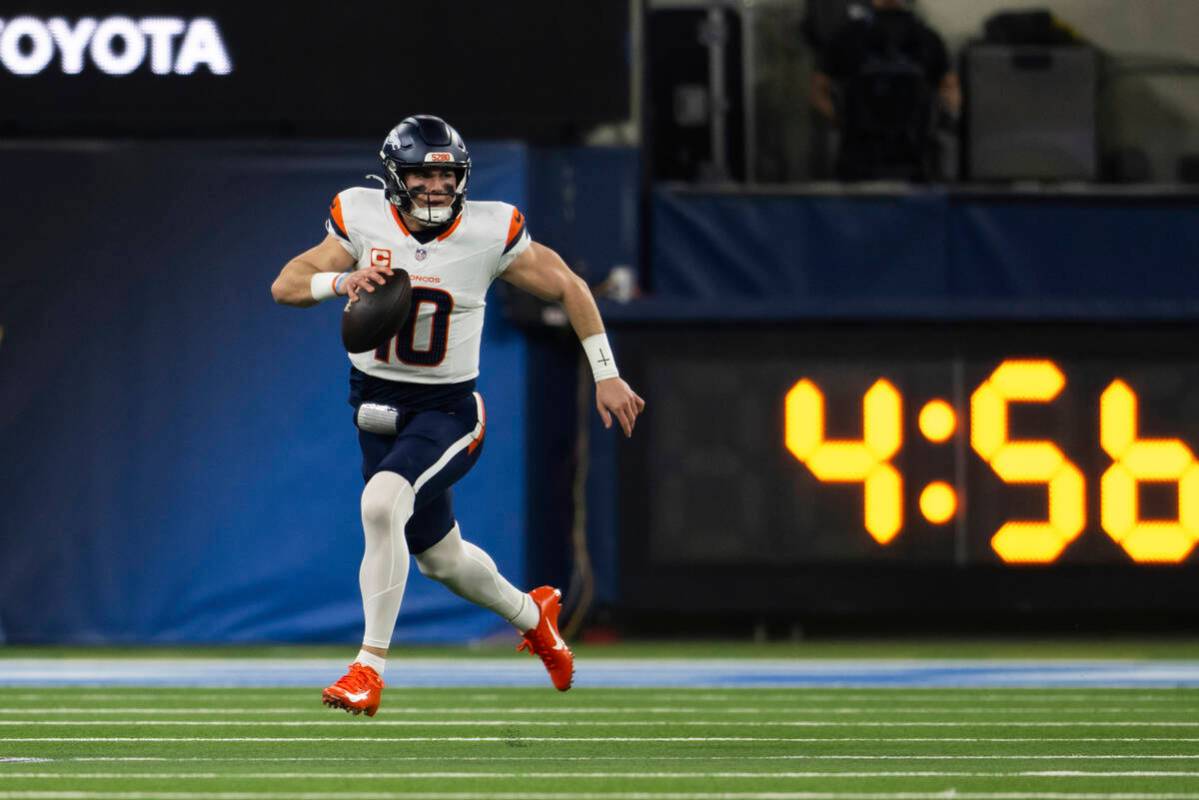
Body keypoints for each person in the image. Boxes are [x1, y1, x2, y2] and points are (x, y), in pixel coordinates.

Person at [270, 115, 646, 715]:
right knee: (440, 558)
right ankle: (535, 616)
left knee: (381, 503)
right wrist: (343, 280)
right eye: (422, 175)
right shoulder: (361, 216)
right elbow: (286, 285)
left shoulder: (488, 229)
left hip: (448, 410)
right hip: (372, 404)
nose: (437, 189)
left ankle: (367, 669)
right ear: (395, 177)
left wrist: (606, 373)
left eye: (447, 176)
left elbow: (571, 286)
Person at [810, 0, 961, 180]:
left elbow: (818, 92)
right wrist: (939, 124)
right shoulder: (927, 37)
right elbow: (951, 94)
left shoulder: (847, 36)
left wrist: (840, 121)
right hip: (907, 163)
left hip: (864, 162)